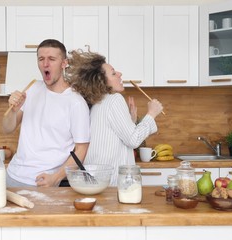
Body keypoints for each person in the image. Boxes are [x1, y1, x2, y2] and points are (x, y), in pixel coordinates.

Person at [67, 50, 164, 186]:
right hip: (113, 186)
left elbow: (113, 139)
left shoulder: (98, 103)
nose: (119, 74)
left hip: (99, 183)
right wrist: (151, 113)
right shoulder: (114, 100)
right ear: (102, 82)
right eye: (113, 73)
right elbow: (133, 140)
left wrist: (131, 121)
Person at [2, 39, 90, 187]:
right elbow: (7, 128)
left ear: (64, 63)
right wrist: (13, 111)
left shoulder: (76, 102)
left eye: (52, 59)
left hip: (44, 182)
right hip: (12, 176)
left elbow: (81, 150)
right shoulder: (32, 88)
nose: (45, 64)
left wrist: (55, 178)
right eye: (41, 59)